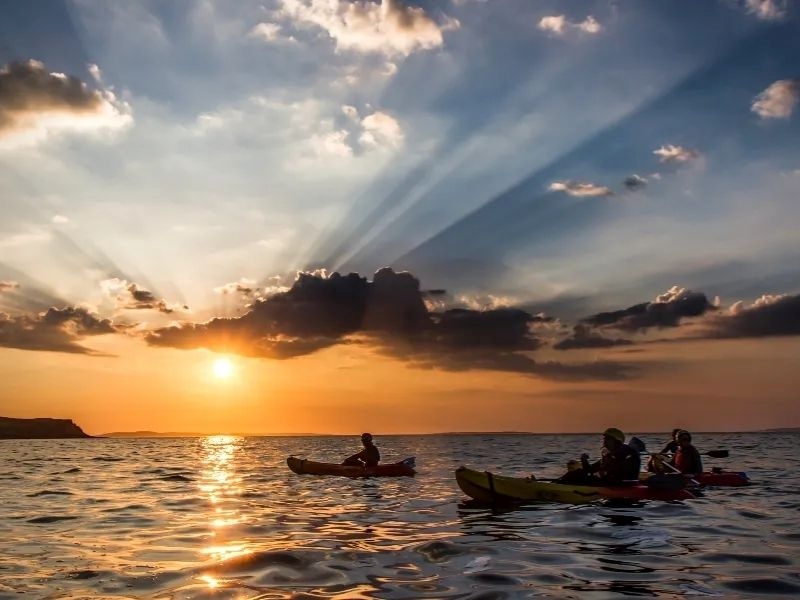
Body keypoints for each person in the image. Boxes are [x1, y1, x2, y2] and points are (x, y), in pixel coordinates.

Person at [559, 428, 641, 485]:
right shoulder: (609, 455)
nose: (604, 441)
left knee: (578, 474)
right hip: (608, 482)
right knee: (579, 472)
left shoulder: (625, 452)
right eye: (604, 439)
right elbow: (590, 470)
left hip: (620, 484)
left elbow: (620, 470)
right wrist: (584, 461)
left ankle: (559, 484)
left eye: (607, 439)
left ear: (616, 441)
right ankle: (559, 483)